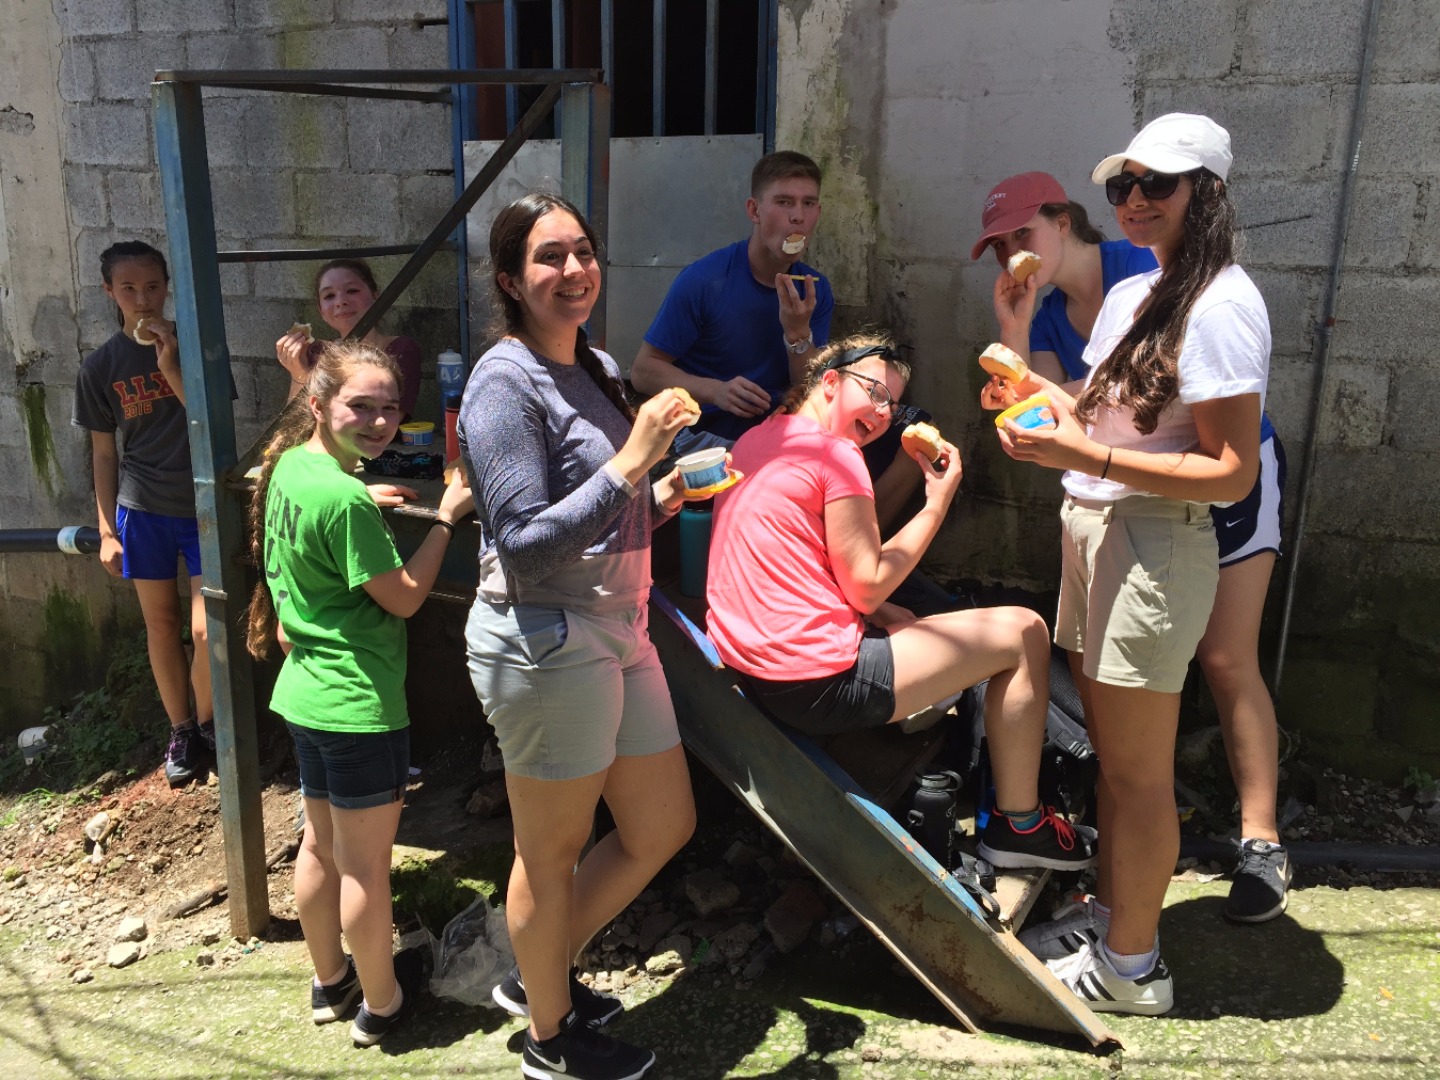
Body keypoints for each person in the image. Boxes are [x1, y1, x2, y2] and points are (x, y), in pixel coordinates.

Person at [993, 113, 1271, 1014]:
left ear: (1208, 193)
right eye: (1123, 185)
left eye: (1159, 183)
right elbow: (1095, 412)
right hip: (1093, 528)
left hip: (1153, 541)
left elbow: (1233, 472)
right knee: (1113, 763)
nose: (1136, 200)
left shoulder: (1221, 305)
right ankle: (1115, 924)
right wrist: (1022, 361)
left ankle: (1133, 970)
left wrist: (1090, 459)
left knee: (1140, 775)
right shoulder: (1135, 291)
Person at [704, 333, 1096, 875]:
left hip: (756, 665)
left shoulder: (761, 437)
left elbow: (810, 560)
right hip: (816, 680)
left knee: (912, 617)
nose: (885, 412)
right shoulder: (836, 455)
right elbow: (866, 585)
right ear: (830, 381)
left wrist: (880, 612)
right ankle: (1020, 824)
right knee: (1025, 631)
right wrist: (937, 500)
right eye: (875, 392)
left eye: (894, 404)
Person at [461, 192, 698, 1080]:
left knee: (661, 823)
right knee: (550, 852)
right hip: (546, 635)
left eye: (584, 252)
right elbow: (521, 542)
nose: (574, 270)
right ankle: (550, 1042)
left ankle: (540, 974)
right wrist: (634, 461)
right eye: (549, 257)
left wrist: (662, 494)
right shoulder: (502, 384)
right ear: (509, 280)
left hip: (620, 623)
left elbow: (596, 507)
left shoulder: (592, 363)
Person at [245, 341, 474, 1047]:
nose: (379, 422)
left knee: (319, 847)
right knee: (367, 868)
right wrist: (446, 517)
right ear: (318, 405)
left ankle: (331, 980)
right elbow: (404, 598)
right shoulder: (343, 498)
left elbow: (325, 515)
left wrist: (359, 497)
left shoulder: (295, 467)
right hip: (357, 706)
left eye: (389, 408)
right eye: (361, 407)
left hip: (304, 695)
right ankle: (383, 1004)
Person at [73, 240, 215, 788]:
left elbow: (209, 418)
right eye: (129, 288)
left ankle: (210, 724)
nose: (143, 299)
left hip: (201, 507)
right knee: (161, 625)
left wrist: (170, 364)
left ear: (167, 288)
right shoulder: (100, 366)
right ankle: (181, 729)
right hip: (142, 509)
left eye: (153, 287)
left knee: (206, 630)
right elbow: (103, 453)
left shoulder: (196, 343)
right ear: (109, 291)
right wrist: (107, 529)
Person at [630, 150, 833, 455]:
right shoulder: (705, 280)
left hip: (778, 431)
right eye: (783, 202)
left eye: (808, 203)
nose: (798, 216)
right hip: (703, 432)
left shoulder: (814, 289)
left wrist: (798, 335)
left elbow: (809, 390)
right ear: (754, 211)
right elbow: (643, 372)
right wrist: (716, 391)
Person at [275, 258, 424, 420]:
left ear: (376, 297)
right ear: (321, 311)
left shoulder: (401, 350)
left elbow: (386, 422)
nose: (341, 302)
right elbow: (293, 425)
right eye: (329, 296)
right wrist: (298, 373)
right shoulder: (316, 353)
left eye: (352, 291)